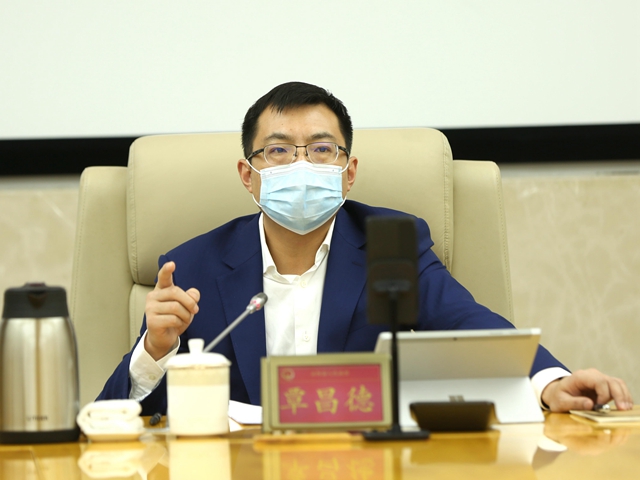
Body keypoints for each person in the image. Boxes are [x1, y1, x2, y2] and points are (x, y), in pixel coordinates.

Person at [98, 81, 633, 415]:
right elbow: (122, 416)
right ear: (247, 174)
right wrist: (154, 351)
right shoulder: (192, 264)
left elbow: (470, 324)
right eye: (279, 151)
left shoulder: (391, 245)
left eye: (321, 149)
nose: (301, 165)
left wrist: (551, 382)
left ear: (348, 172)